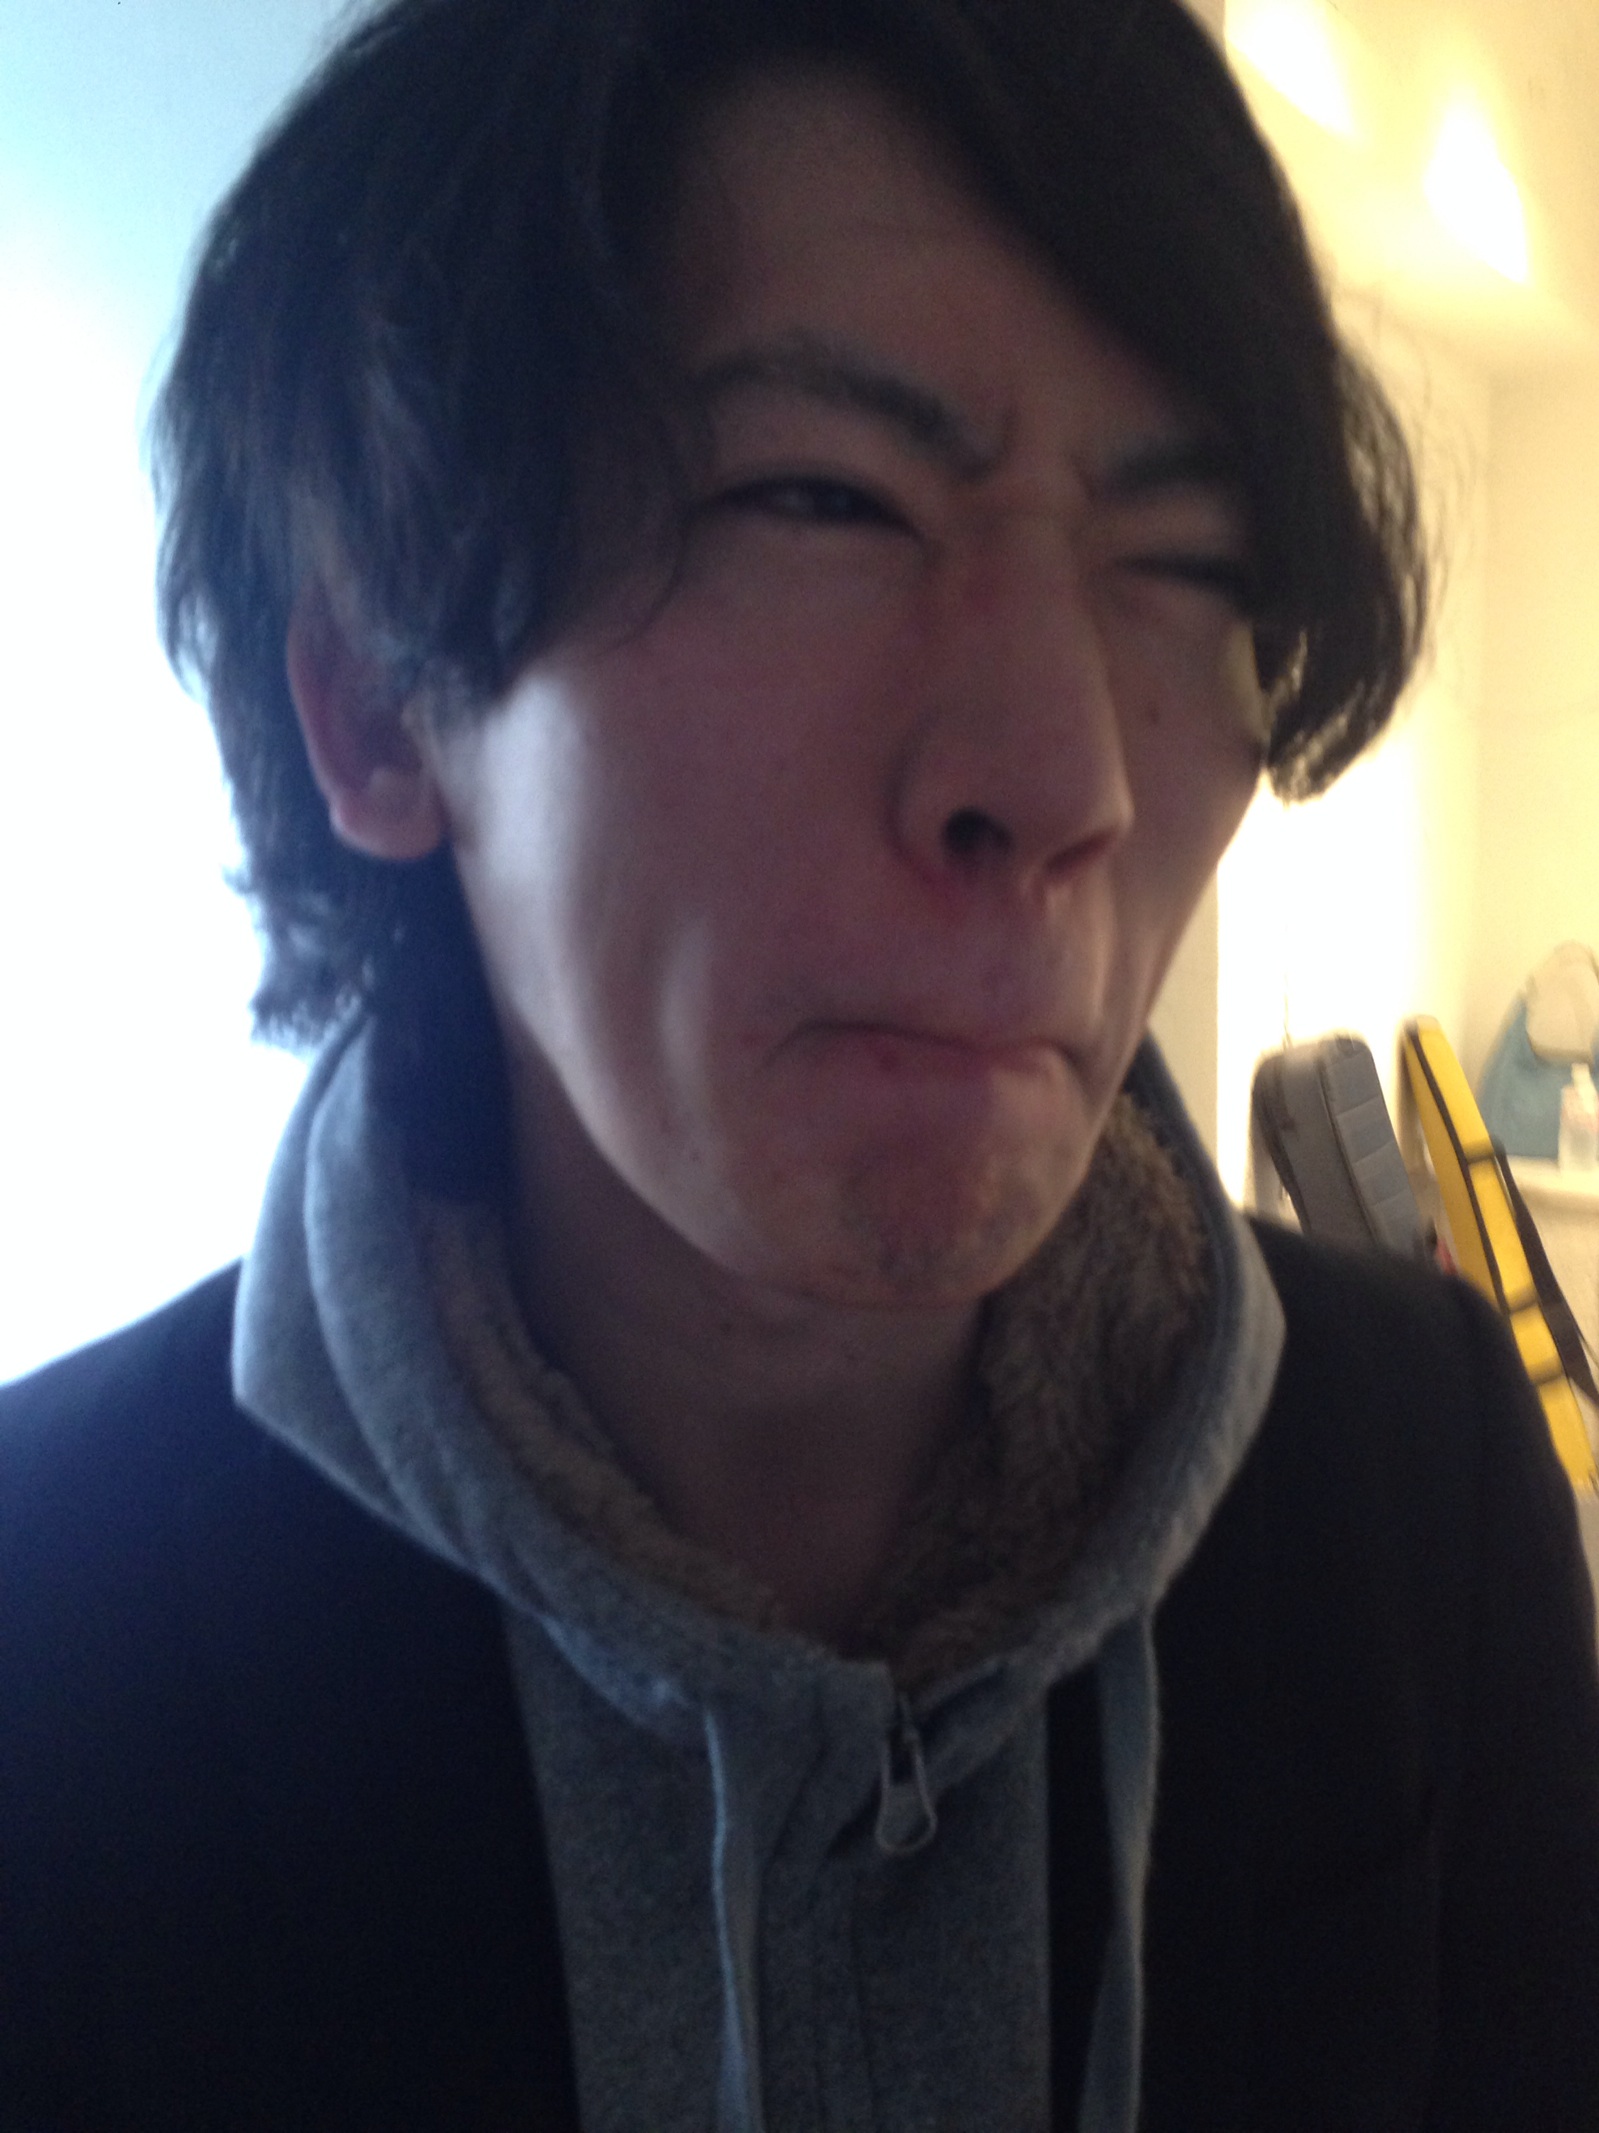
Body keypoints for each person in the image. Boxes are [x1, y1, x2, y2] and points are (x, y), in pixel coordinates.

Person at [4, 0, 1597, 2126]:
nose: (1068, 778)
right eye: (822, 497)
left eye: (1182, 563)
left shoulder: (1414, 1483)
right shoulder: (51, 1619)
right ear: (381, 698)